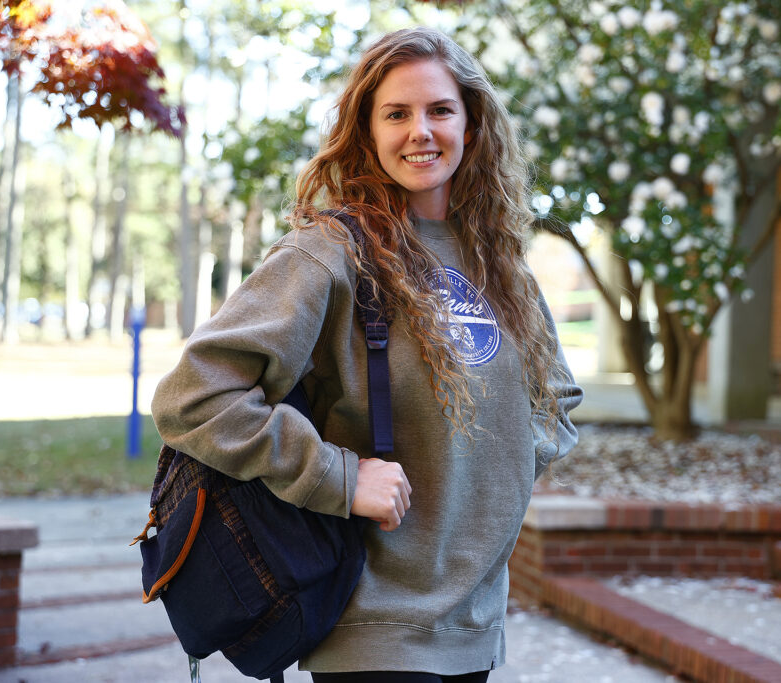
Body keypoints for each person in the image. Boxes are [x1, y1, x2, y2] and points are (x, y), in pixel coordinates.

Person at [151, 26, 582, 682]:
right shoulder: (330, 252)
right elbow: (194, 397)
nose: (421, 131)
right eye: (397, 113)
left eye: (440, 110)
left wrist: (493, 480)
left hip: (473, 622)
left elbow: (557, 400)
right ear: (368, 130)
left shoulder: (500, 263)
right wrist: (339, 476)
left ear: (472, 123)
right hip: (371, 627)